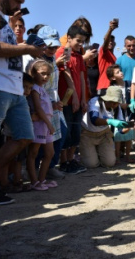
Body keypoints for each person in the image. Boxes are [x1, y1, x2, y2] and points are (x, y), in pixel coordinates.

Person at [0, 0, 45, 205]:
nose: (19, 5)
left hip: (15, 90)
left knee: (24, 137)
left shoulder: (2, 19)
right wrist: (27, 48)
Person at [56, 25, 88, 174]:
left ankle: (71, 160)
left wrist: (83, 98)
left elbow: (81, 78)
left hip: (78, 99)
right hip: (66, 99)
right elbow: (66, 74)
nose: (81, 44)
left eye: (83, 41)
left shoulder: (79, 56)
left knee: (76, 130)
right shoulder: (63, 52)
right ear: (69, 38)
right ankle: (64, 162)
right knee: (66, 131)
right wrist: (74, 96)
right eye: (78, 41)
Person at [36, 25, 66, 180]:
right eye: (49, 45)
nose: (52, 48)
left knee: (61, 134)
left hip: (55, 102)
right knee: (40, 139)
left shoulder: (53, 59)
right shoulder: (35, 60)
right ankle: (35, 170)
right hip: (41, 105)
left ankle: (50, 167)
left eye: (55, 45)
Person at [26, 60, 57, 190]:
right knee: (33, 153)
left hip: (46, 124)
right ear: (34, 73)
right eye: (42, 73)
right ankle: (34, 181)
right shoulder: (34, 89)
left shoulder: (42, 89)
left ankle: (42, 179)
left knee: (50, 153)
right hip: (40, 124)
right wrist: (49, 124)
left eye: (48, 74)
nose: (46, 77)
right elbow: (38, 109)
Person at [80, 86, 128, 168]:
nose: (115, 105)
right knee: (91, 164)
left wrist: (126, 128)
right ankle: (94, 154)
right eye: (113, 102)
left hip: (104, 134)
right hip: (88, 134)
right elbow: (94, 120)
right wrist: (110, 121)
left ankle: (99, 153)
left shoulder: (116, 107)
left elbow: (120, 129)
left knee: (109, 163)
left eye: (117, 103)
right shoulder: (95, 102)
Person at [106, 64, 135, 164]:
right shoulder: (112, 87)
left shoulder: (129, 83)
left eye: (120, 71)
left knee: (129, 134)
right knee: (118, 136)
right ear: (113, 77)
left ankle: (127, 156)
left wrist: (130, 104)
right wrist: (123, 105)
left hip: (130, 114)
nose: (121, 73)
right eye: (118, 72)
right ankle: (117, 157)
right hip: (118, 115)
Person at [116, 35, 135, 109]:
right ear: (125, 46)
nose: (131, 48)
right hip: (124, 90)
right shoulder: (120, 60)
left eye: (133, 45)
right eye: (129, 46)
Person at [96, 19, 118, 94]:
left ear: (115, 43)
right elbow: (105, 42)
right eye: (109, 40)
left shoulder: (115, 58)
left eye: (112, 41)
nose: (110, 42)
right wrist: (110, 29)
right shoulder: (103, 51)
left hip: (113, 88)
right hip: (104, 87)